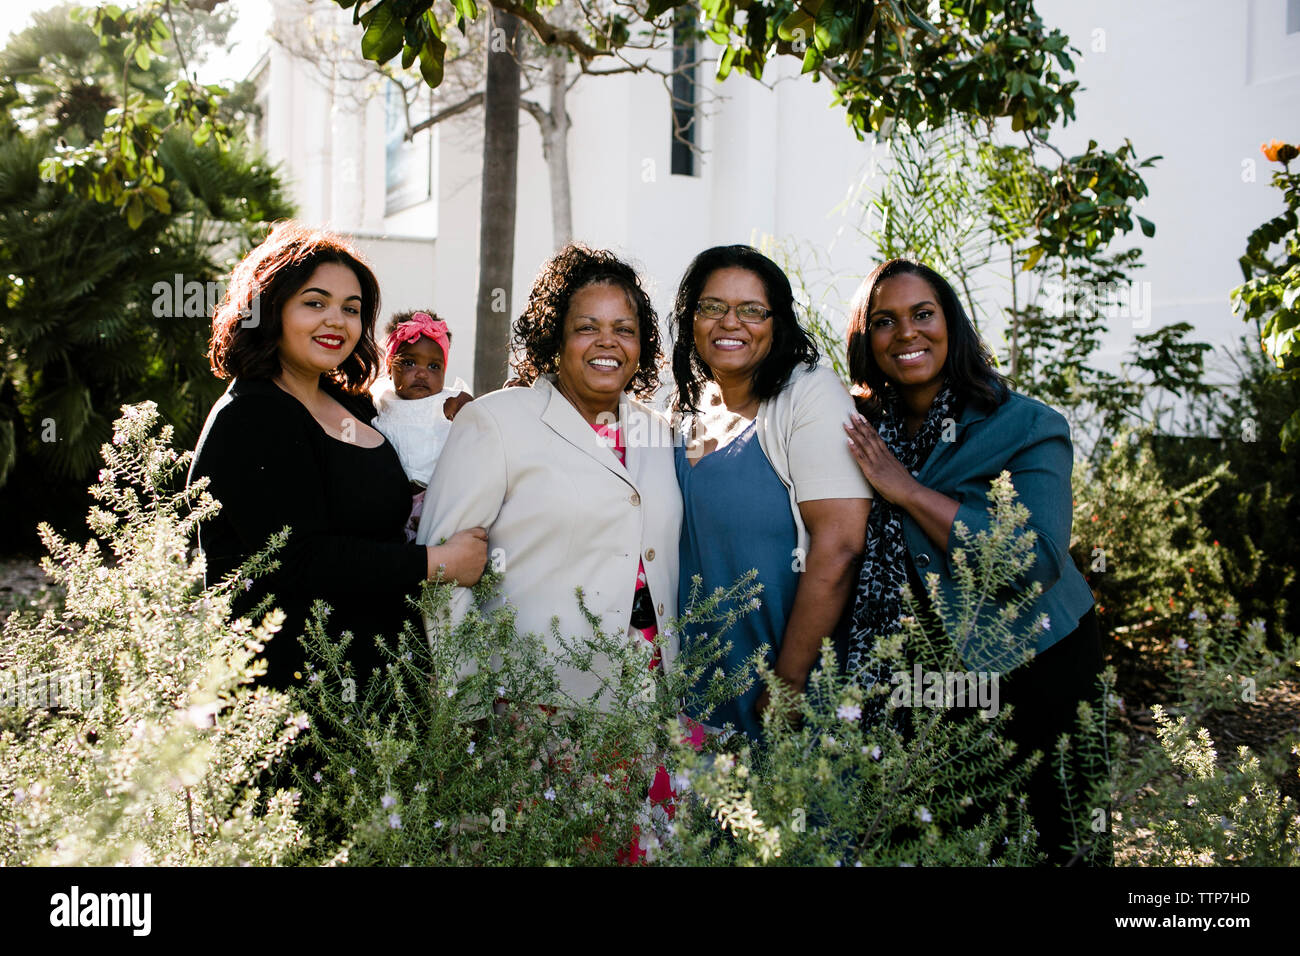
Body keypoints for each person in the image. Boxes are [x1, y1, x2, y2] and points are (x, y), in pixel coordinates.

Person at [840, 257, 1103, 864]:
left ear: (952, 325)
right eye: (884, 321)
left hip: (1032, 665)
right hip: (912, 674)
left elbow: (1035, 560)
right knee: (923, 835)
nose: (906, 332)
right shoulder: (860, 426)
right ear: (865, 340)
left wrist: (904, 489)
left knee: (1043, 840)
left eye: (923, 314)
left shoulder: (1027, 425)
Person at [188, 221, 487, 692]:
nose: (337, 321)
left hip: (383, 685)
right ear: (269, 309)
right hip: (296, 697)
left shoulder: (356, 405)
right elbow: (302, 560)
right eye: (315, 302)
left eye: (351, 309)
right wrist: (439, 563)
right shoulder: (249, 418)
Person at [417, 243, 682, 707]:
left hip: (647, 703)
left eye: (624, 329)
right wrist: (465, 712)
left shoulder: (657, 432)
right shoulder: (495, 422)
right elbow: (443, 580)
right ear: (555, 337)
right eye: (586, 328)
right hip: (533, 710)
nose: (608, 342)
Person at [670, 244, 873, 741]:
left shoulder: (808, 395)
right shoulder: (683, 406)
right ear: (691, 319)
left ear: (777, 322)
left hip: (781, 696)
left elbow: (841, 544)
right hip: (694, 691)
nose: (730, 322)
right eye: (712, 306)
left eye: (752, 310)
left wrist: (789, 683)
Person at [370, 310, 473, 541]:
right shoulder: (381, 401)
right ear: (390, 367)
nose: (421, 374)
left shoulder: (450, 402)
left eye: (434, 367)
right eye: (409, 363)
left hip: (437, 498)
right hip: (393, 498)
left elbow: (481, 428)